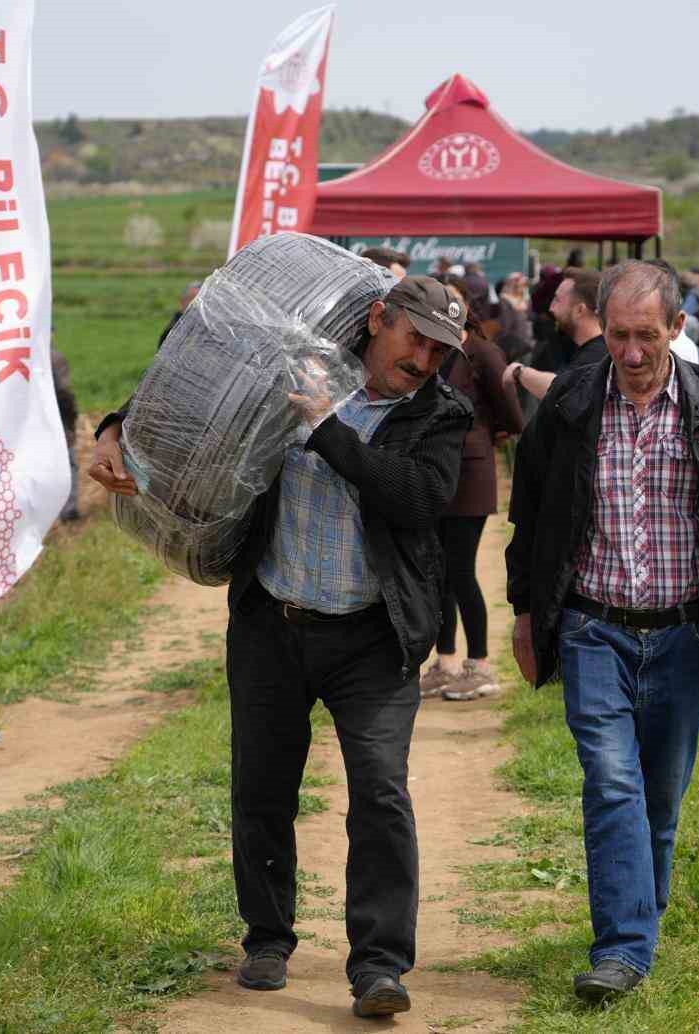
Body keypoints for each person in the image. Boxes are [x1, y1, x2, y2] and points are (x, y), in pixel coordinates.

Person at [91, 275, 472, 1019]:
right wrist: (115, 427)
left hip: (373, 633)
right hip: (274, 621)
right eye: (414, 339)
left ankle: (379, 965)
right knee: (262, 789)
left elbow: (415, 498)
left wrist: (329, 428)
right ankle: (267, 938)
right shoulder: (293, 371)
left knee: (381, 793)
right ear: (376, 319)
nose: (424, 359)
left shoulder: (438, 415)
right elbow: (186, 395)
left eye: (439, 349)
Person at [505, 260, 699, 1004]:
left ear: (677, 330)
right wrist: (527, 612)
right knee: (612, 781)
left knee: (659, 798)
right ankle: (624, 949)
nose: (630, 354)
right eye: (619, 336)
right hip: (593, 628)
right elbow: (529, 515)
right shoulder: (571, 402)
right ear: (603, 327)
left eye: (647, 337)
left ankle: (640, 913)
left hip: (685, 635)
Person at [423, 287, 525, 702]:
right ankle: (445, 662)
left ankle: (480, 665)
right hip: (436, 472)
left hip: (471, 473)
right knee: (439, 572)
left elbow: (512, 413)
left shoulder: (482, 353)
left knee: (460, 570)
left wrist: (489, 436)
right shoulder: (434, 349)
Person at [504, 267, 605, 401]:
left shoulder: (598, 356)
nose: (551, 308)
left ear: (580, 310)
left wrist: (519, 372)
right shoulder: (584, 348)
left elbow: (563, 389)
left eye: (557, 300)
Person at [51, 342, 79, 522]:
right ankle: (68, 510)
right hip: (57, 419)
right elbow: (64, 392)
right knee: (68, 464)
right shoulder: (54, 357)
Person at [494, 271, 534, 363]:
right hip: (526, 340)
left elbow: (506, 323)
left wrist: (500, 340)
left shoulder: (504, 298)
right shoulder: (526, 300)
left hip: (513, 341)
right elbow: (529, 317)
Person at [158, 281, 202, 349]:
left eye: (201, 299)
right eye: (193, 299)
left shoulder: (203, 324)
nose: (198, 303)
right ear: (182, 301)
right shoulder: (173, 330)